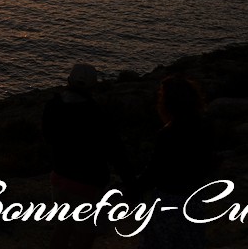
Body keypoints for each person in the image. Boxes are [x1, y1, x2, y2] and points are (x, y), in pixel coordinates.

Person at [42, 63, 132, 249]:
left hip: (59, 177)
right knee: (86, 234)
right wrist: (131, 183)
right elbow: (116, 151)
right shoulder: (96, 114)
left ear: (68, 81)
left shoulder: (52, 106)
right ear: (93, 86)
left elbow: (48, 137)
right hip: (87, 183)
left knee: (63, 228)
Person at [135, 74, 217, 249]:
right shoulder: (204, 128)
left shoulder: (168, 133)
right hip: (194, 198)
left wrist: (133, 188)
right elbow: (210, 163)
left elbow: (154, 169)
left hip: (168, 199)